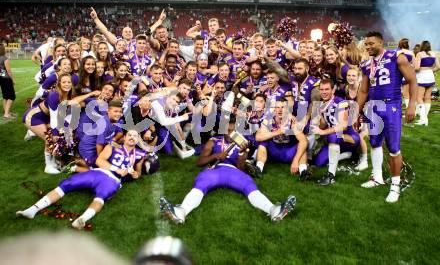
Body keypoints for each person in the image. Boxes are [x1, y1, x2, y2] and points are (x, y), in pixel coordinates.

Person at [159, 120, 296, 224]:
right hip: (214, 170)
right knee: (200, 185)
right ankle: (181, 212)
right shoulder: (213, 142)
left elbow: (241, 169)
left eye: (233, 131)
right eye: (228, 130)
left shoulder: (242, 144)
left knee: (249, 185)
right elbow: (199, 162)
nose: (230, 134)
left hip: (233, 171)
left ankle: (273, 210)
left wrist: (243, 154)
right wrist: (215, 156)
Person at [17, 130, 146, 230]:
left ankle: (81, 220)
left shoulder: (140, 154)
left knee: (102, 195)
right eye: (129, 134)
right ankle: (32, 210)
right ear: (124, 137)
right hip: (98, 172)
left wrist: (136, 174)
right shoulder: (112, 146)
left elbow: (139, 172)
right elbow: (99, 161)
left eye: (135, 136)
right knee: (67, 183)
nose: (132, 137)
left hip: (113, 180)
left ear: (138, 139)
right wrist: (115, 168)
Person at [357, 31, 416, 203]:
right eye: (366, 44)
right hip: (374, 106)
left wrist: (412, 104)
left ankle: (395, 186)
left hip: (391, 105)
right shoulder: (367, 64)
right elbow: (363, 90)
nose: (368, 47)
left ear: (381, 42)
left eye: (371, 44)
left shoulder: (396, 56)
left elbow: (412, 80)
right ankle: (377, 177)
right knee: (375, 143)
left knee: (393, 147)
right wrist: (356, 112)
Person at [312, 79, 360, 185]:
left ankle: (331, 176)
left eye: (327, 89)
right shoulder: (321, 104)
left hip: (350, 138)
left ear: (333, 90)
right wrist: (317, 122)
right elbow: (324, 124)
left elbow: (343, 126)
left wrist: (323, 132)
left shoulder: (340, 102)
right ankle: (348, 155)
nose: (324, 92)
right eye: (321, 89)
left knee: (332, 136)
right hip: (335, 138)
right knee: (319, 162)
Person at [254, 98, 308, 178]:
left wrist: (295, 160)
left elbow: (304, 141)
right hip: (274, 151)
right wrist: (278, 132)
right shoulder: (268, 120)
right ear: (274, 110)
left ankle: (303, 171)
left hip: (289, 151)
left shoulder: (292, 121)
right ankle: (258, 169)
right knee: (263, 144)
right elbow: (258, 137)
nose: (280, 110)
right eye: (277, 107)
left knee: (302, 148)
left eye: (283, 107)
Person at [413, 40, 439, 126]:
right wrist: (431, 70)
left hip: (422, 76)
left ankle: (423, 119)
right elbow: (438, 66)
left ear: (422, 46)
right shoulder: (433, 54)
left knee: (419, 97)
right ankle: (424, 118)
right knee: (428, 98)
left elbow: (416, 68)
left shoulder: (419, 54)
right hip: (430, 76)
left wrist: (411, 69)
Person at [0, 44, 16, 119]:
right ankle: (6, 114)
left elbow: (1, 70)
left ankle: (6, 111)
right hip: (6, 79)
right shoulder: (5, 58)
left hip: (1, 78)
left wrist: (2, 75)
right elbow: (8, 71)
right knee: (11, 96)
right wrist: (13, 79)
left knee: (5, 96)